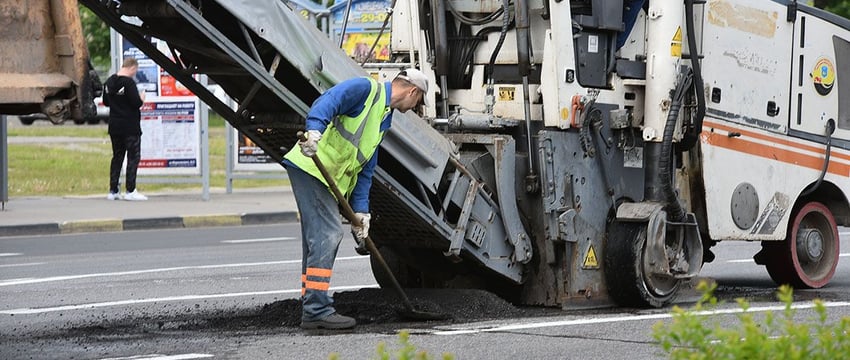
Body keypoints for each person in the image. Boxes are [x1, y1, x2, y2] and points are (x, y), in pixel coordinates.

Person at [282, 69, 429, 330]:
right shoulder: (365, 89)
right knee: (328, 233)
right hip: (312, 167)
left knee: (316, 237)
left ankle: (311, 303)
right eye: (418, 102)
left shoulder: (384, 119)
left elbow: (366, 168)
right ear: (412, 91)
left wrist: (362, 213)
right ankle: (317, 310)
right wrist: (314, 131)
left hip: (327, 177)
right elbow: (329, 100)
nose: (415, 108)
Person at [103, 57, 148, 201]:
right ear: (132, 67)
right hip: (130, 126)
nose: (135, 73)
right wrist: (142, 99)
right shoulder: (129, 83)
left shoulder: (109, 81)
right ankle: (130, 190)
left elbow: (106, 101)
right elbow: (135, 103)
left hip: (115, 125)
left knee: (117, 157)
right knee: (133, 157)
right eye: (135, 70)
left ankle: (113, 190)